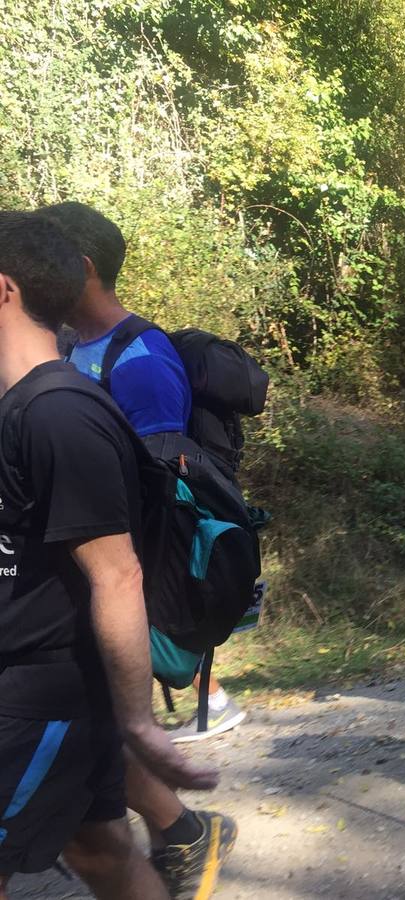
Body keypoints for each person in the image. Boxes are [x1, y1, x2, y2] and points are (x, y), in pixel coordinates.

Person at [0, 211, 218, 900]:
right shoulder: (22, 406)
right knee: (101, 852)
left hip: (40, 694)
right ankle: (183, 837)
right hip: (37, 689)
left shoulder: (59, 414)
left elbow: (118, 573)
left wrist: (137, 724)